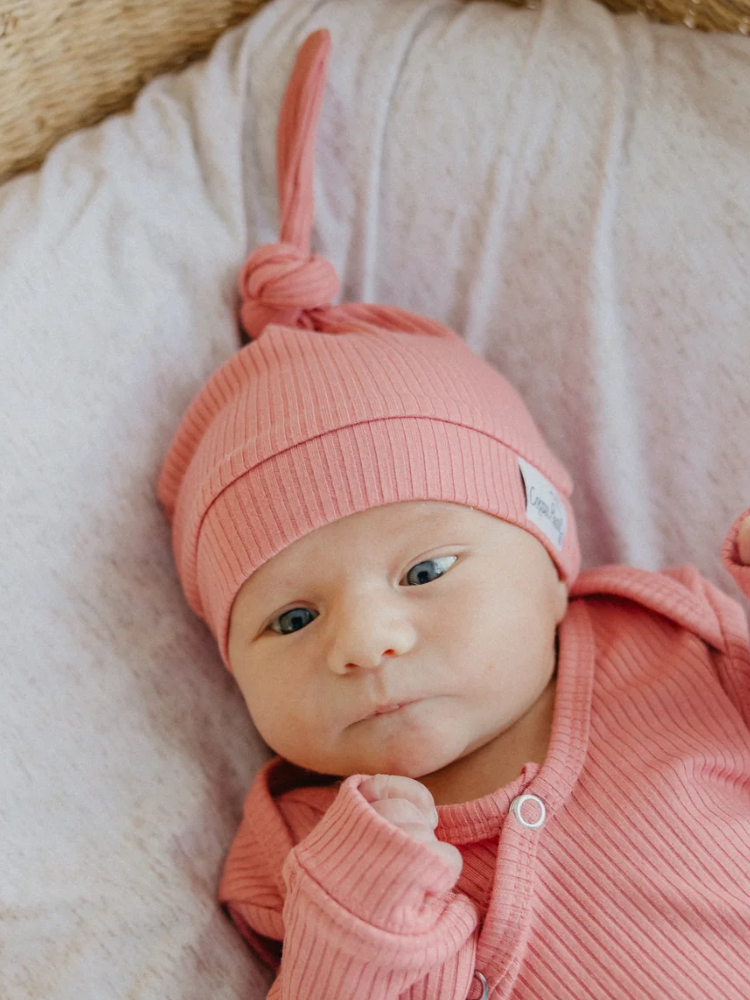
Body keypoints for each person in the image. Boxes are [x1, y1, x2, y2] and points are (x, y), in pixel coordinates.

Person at [157, 28, 750, 1000]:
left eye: (427, 571)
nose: (369, 641)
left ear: (551, 554)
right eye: (291, 619)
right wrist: (365, 914)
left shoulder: (670, 635)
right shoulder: (305, 850)